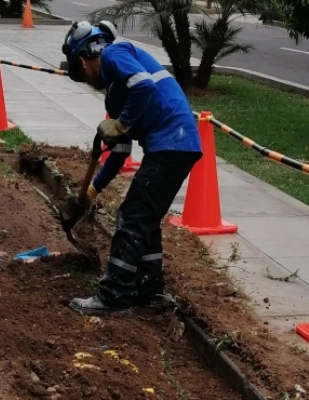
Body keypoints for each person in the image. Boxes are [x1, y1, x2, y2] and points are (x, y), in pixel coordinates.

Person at [62, 20, 204, 316]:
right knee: (145, 218)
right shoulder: (115, 94)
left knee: (132, 216)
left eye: (82, 75)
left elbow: (144, 85)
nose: (87, 80)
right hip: (174, 146)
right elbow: (120, 151)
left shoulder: (114, 54)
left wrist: (123, 123)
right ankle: (149, 290)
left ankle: (115, 295)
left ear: (82, 60)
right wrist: (93, 188)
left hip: (172, 142)